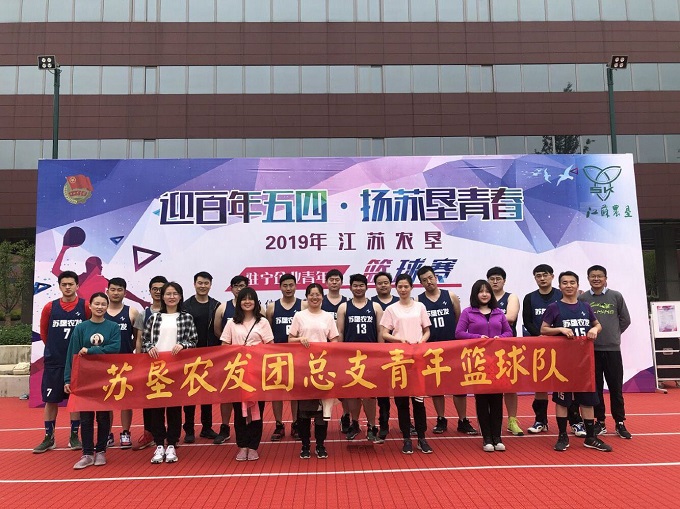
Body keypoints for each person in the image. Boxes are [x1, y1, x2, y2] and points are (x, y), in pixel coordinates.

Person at [541, 271, 612, 452]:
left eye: (572, 282)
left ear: (578, 285)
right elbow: (544, 329)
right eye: (565, 283)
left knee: (587, 400)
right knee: (562, 401)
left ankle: (590, 437)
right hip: (562, 363)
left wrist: (595, 329)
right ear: (560, 286)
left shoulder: (585, 306)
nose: (569, 286)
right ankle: (562, 436)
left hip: (584, 362)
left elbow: (597, 324)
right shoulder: (554, 307)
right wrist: (560, 329)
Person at [522, 264, 585, 436]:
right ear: (535, 278)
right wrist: (541, 337)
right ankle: (541, 420)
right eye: (538, 275)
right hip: (539, 348)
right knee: (540, 385)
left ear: (552, 276)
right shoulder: (529, 298)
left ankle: (575, 421)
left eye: (545, 275)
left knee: (567, 385)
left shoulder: (561, 295)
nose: (542, 278)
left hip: (564, 348)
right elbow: (527, 321)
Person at [33, 271, 91, 454]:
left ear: (77, 286)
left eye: (71, 284)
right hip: (55, 362)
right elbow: (44, 333)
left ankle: (74, 436)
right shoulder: (50, 307)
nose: (67, 287)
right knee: (51, 400)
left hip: (77, 362)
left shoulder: (85, 306)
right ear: (59, 286)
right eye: (64, 284)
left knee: (75, 399)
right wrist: (54, 349)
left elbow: (90, 330)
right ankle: (49, 437)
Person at [416, 266, 477, 436]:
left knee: (459, 387)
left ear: (436, 277)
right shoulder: (418, 301)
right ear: (421, 283)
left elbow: (459, 320)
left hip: (452, 349)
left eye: (431, 278)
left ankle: (463, 420)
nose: (429, 282)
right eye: (424, 280)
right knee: (436, 387)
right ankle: (441, 419)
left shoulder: (450, 296)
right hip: (431, 351)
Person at [142, 282, 198, 464]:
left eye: (175, 294)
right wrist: (149, 347)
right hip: (156, 369)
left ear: (180, 297)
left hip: (177, 369)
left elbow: (193, 340)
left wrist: (183, 345)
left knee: (174, 408)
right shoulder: (154, 318)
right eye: (168, 294)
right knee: (156, 408)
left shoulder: (186, 317)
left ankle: (172, 443)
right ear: (162, 296)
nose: (171, 297)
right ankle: (159, 444)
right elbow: (145, 340)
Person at [64, 292, 121, 469]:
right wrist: (68, 379)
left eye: (103, 304)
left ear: (107, 307)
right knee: (86, 417)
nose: (99, 307)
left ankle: (101, 451)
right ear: (90, 306)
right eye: (96, 304)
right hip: (85, 379)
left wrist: (91, 350)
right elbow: (72, 354)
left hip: (105, 377)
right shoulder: (81, 328)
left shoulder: (113, 327)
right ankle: (87, 453)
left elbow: (115, 348)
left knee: (103, 416)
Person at [456, 280, 513, 452]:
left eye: (487, 291)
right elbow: (459, 333)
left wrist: (500, 339)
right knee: (482, 401)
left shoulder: (498, 312)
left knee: (497, 400)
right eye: (480, 291)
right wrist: (477, 338)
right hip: (478, 363)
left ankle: (497, 437)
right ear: (475, 294)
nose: (484, 294)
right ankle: (486, 438)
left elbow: (509, 332)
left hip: (497, 362)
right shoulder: (468, 312)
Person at [380, 274, 433, 455]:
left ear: (411, 287)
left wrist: (421, 342)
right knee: (402, 402)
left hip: (417, 359)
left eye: (406, 286)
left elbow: (427, 330)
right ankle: (406, 439)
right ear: (396, 288)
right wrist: (398, 340)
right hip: (399, 360)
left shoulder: (420, 306)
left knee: (419, 402)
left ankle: (422, 438)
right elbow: (384, 333)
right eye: (400, 287)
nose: (403, 290)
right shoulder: (391, 309)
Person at [578, 265, 632, 439]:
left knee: (616, 388)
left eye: (599, 276)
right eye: (593, 276)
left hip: (612, 350)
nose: (596, 279)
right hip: (591, 350)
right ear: (588, 278)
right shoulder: (583, 298)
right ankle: (600, 422)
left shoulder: (616, 296)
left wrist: (614, 334)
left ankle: (620, 422)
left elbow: (625, 319)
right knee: (596, 389)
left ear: (605, 278)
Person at [220, 287, 274, 461]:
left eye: (251, 299)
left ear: (256, 302)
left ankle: (253, 446)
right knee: (239, 411)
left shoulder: (262, 322)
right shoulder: (231, 323)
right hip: (237, 373)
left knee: (257, 409)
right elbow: (224, 346)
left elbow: (270, 346)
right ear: (239, 302)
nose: (247, 302)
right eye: (244, 299)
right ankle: (242, 445)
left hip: (258, 373)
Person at [289, 283, 340, 459]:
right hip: (303, 369)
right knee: (303, 410)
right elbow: (290, 339)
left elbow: (334, 340)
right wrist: (300, 339)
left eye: (318, 294)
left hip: (323, 369)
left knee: (322, 410)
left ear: (322, 297)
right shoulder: (299, 316)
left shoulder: (328, 317)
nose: (315, 297)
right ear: (307, 297)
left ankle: (320, 445)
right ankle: (305, 445)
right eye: (311, 294)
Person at [336, 274, 384, 442]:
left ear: (366, 287)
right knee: (352, 393)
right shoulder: (344, 307)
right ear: (350, 287)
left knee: (370, 394)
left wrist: (381, 353)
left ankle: (372, 426)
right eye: (355, 285)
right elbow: (340, 332)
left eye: (361, 285)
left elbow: (380, 331)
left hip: (370, 358)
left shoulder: (375, 306)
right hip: (350, 358)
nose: (358, 288)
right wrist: (339, 354)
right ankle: (355, 423)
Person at [181, 271, 221, 443]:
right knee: (189, 394)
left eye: (206, 283)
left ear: (210, 285)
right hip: (189, 355)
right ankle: (189, 429)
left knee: (207, 393)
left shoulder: (216, 305)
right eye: (200, 283)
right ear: (194, 284)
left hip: (210, 355)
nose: (203, 286)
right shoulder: (185, 306)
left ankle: (206, 427)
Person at [265, 273, 306, 441]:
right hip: (277, 355)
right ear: (280, 287)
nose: (288, 288)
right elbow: (268, 331)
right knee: (277, 392)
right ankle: (279, 424)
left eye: (291, 285)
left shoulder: (303, 305)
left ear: (296, 286)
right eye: (285, 285)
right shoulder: (272, 307)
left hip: (298, 355)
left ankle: (296, 423)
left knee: (295, 391)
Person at [131, 275, 168, 451]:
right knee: (149, 400)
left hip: (170, 364)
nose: (158, 292)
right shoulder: (144, 314)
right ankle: (149, 433)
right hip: (149, 364)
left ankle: (170, 435)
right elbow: (138, 339)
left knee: (171, 400)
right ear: (150, 291)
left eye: (162, 289)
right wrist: (139, 361)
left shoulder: (174, 312)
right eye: (155, 289)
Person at [486, 267, 523, 437]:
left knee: (509, 386)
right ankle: (488, 421)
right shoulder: (484, 297)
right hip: (486, 349)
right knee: (488, 386)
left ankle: (512, 420)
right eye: (492, 279)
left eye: (498, 278)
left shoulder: (511, 297)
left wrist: (485, 316)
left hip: (507, 348)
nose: (495, 282)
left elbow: (511, 317)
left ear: (504, 280)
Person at [212, 275, 249, 444]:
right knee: (227, 395)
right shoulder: (223, 307)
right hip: (229, 360)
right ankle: (225, 427)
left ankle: (249, 427)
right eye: (236, 286)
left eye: (242, 286)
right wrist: (231, 345)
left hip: (250, 361)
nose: (239, 289)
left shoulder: (256, 308)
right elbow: (217, 331)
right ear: (231, 288)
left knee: (249, 394)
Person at [104, 277, 140, 449]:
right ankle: (107, 433)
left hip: (125, 363)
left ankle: (126, 432)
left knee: (126, 401)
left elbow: (137, 338)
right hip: (104, 364)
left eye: (119, 290)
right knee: (106, 401)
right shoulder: (100, 310)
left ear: (125, 293)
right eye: (113, 289)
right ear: (107, 291)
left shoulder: (132, 312)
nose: (116, 293)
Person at [321, 269, 351, 433]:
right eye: (331, 279)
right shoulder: (320, 301)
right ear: (326, 282)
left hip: (341, 353)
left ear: (341, 282)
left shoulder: (347, 302)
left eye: (337, 279)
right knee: (321, 386)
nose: (334, 282)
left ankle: (346, 415)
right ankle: (320, 419)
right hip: (321, 354)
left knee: (344, 386)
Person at [371, 271, 399, 443]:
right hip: (380, 355)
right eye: (379, 283)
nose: (383, 285)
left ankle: (407, 423)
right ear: (375, 286)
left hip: (400, 354)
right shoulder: (372, 304)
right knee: (382, 392)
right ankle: (383, 423)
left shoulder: (400, 302)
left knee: (403, 389)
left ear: (391, 284)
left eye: (386, 282)